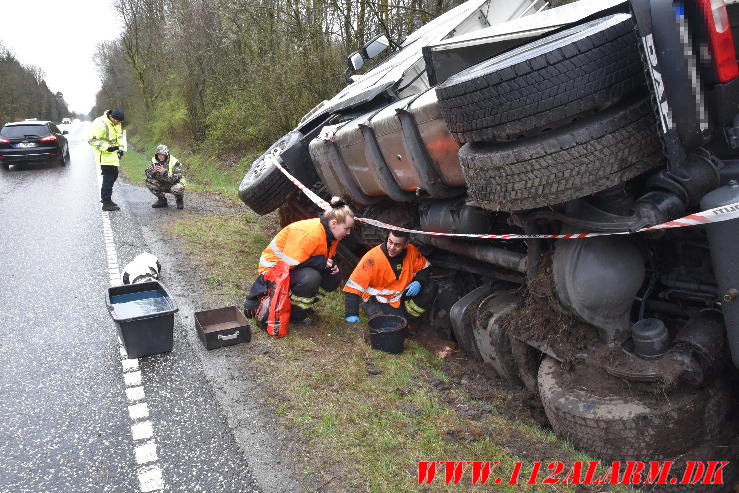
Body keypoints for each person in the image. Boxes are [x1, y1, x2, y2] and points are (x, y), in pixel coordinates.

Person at [244, 197, 355, 324]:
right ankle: (294, 315)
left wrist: (330, 265)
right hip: (273, 269)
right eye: (346, 228)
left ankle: (297, 306)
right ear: (334, 223)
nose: (349, 233)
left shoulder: (331, 236)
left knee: (333, 277)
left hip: (293, 266)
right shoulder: (310, 233)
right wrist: (252, 298)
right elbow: (285, 265)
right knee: (310, 278)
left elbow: (318, 257)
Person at [343, 230, 437, 332]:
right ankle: (370, 306)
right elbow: (353, 287)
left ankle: (410, 319)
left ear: (406, 245)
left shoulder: (411, 251)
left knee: (430, 287)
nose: (391, 248)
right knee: (396, 329)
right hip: (380, 299)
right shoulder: (372, 258)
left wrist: (419, 281)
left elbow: (425, 266)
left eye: (397, 245)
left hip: (399, 296)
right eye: (390, 242)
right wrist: (351, 314)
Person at [88, 109, 125, 211]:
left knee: (114, 175)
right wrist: (107, 147)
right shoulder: (100, 123)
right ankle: (106, 202)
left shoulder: (116, 123)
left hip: (113, 155)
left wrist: (120, 149)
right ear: (113, 118)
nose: (119, 123)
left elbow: (119, 136)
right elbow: (91, 140)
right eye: (118, 121)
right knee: (108, 178)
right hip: (104, 156)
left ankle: (107, 199)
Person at [146, 144, 186, 209]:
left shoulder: (174, 161)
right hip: (162, 183)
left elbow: (178, 177)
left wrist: (165, 172)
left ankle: (179, 200)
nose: (160, 156)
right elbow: (147, 173)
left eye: (162, 154)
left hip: (173, 184)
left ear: (166, 154)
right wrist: (153, 171)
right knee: (149, 181)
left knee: (178, 187)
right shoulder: (154, 160)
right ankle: (162, 201)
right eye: (159, 154)